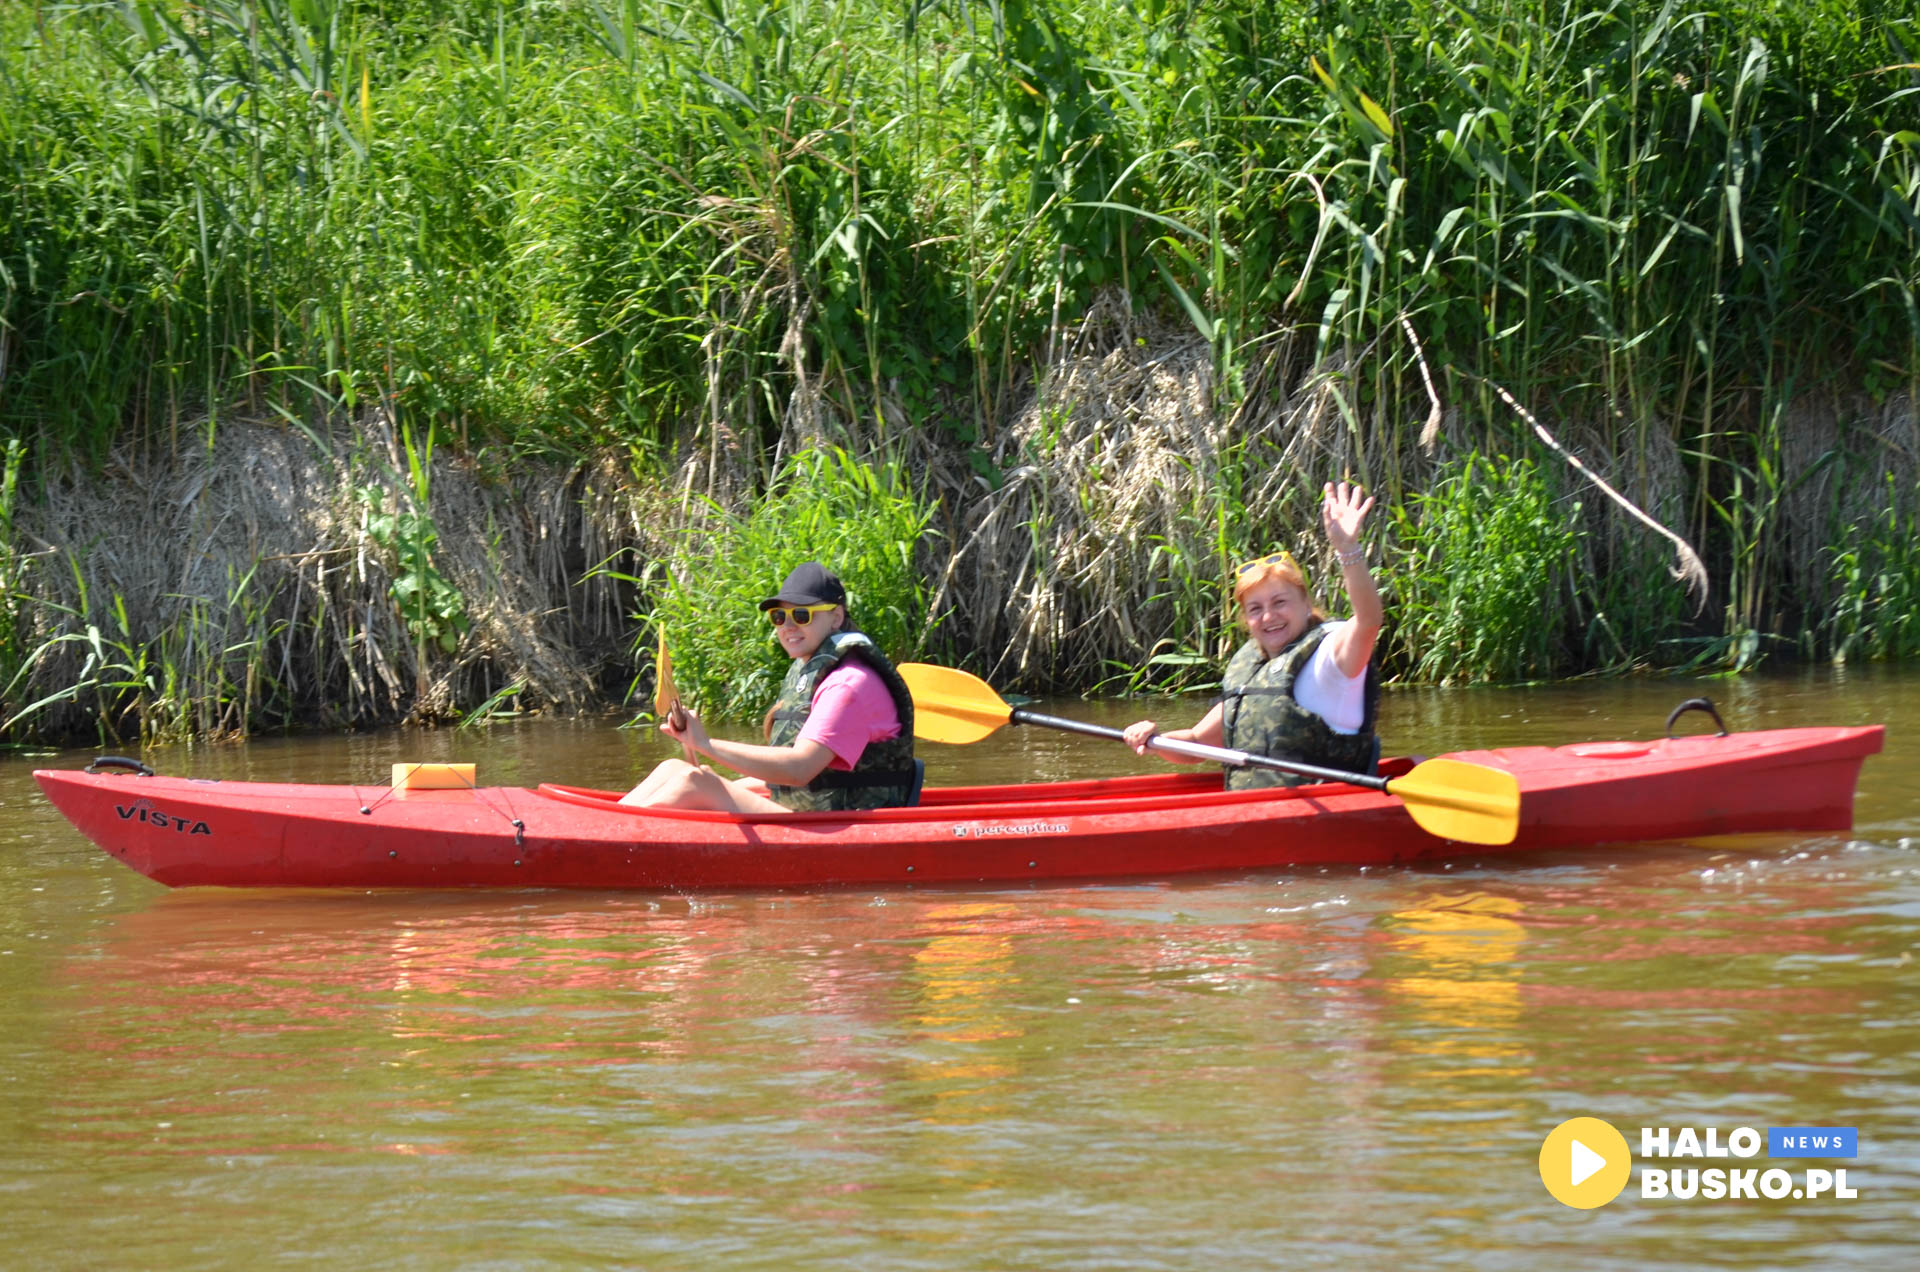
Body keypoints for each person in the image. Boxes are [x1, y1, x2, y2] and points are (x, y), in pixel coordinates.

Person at [1121, 481, 1382, 788]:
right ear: (1245, 619)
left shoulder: (1331, 657)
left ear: (1306, 604)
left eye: (1280, 603)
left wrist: (1347, 549)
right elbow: (1196, 743)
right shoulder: (1252, 672)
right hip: (1255, 810)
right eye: (1255, 608)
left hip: (1324, 813)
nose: (1268, 616)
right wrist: (1152, 738)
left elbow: (1368, 621)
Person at [620, 562, 918, 813]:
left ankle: (612, 841)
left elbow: (799, 769)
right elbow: (802, 780)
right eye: (779, 616)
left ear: (836, 617)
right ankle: (605, 827)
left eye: (802, 615)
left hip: (840, 826)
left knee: (694, 784)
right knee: (679, 770)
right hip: (813, 811)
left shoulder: (849, 685)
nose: (788, 626)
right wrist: (710, 770)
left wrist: (706, 745)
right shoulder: (816, 673)